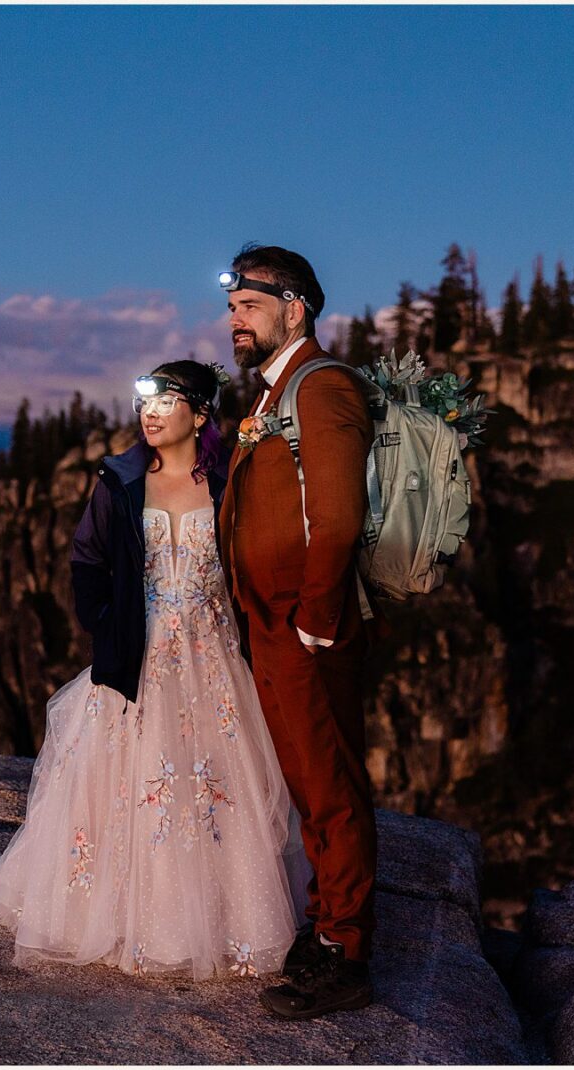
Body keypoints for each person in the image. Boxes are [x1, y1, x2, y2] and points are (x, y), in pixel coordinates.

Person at [0, 359, 310, 979]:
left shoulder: (231, 481)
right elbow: (87, 557)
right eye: (144, 404)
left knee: (213, 785)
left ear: (200, 414)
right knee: (127, 783)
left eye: (165, 402)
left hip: (213, 662)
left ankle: (221, 919)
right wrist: (106, 623)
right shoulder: (122, 480)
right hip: (138, 658)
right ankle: (123, 916)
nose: (150, 415)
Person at [217, 244, 378, 1019]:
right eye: (231, 309)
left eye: (248, 306)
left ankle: (346, 953)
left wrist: (314, 620)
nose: (234, 321)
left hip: (305, 627)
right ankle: (325, 925)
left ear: (295, 308)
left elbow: (338, 517)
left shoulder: (323, 385)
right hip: (273, 623)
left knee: (331, 786)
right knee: (308, 786)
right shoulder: (277, 392)